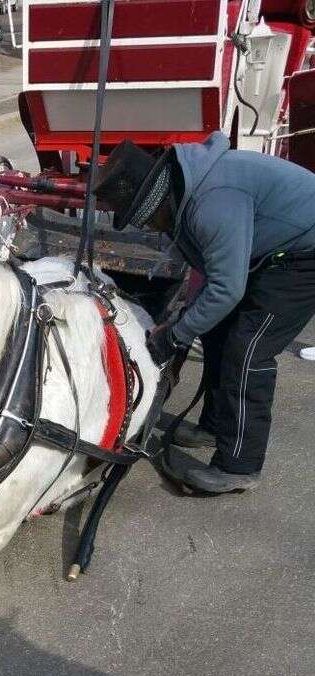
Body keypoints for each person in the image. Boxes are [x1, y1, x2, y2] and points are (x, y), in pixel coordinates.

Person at [93, 132, 315, 494]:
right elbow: (210, 274)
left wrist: (176, 336)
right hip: (279, 247)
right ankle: (213, 428)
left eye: (146, 220)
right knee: (217, 328)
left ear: (158, 203)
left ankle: (239, 466)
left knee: (248, 350)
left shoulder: (212, 203)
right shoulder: (188, 192)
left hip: (306, 253)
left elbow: (228, 287)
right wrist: (181, 319)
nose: (148, 228)